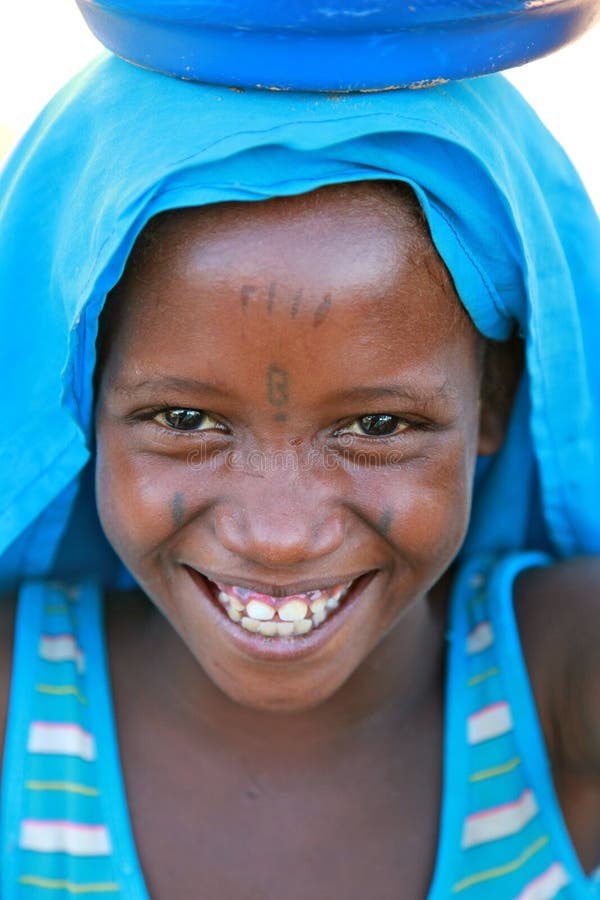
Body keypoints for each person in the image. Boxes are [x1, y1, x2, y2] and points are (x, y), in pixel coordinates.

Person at [0, 51, 599, 899]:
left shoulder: (557, 684)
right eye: (185, 420)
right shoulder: (13, 715)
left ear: (493, 402)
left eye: (380, 426)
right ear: (80, 404)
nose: (279, 536)